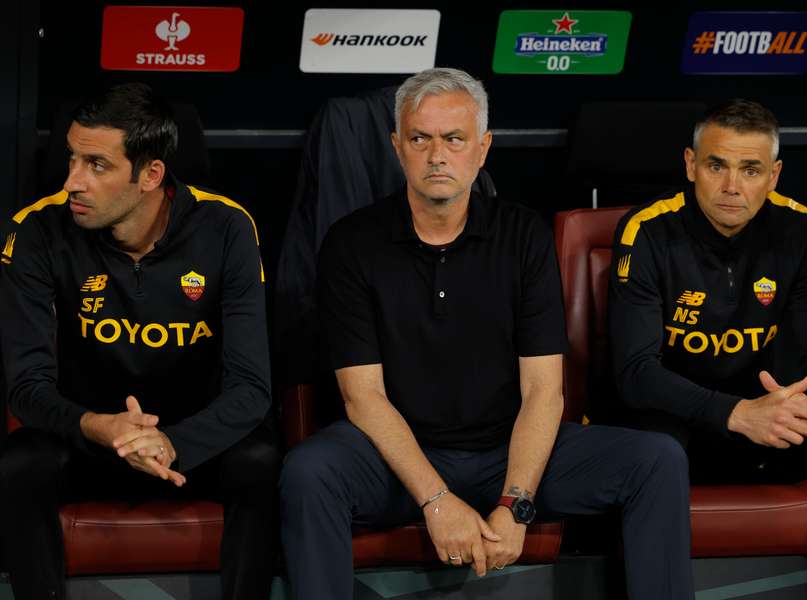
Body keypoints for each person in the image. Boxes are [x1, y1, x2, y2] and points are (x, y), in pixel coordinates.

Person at [280, 67, 695, 600]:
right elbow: (363, 399)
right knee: (309, 472)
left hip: (508, 452)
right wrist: (436, 499)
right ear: (396, 146)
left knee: (656, 460)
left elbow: (544, 390)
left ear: (482, 147)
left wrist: (515, 503)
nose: (437, 156)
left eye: (454, 139)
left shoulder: (523, 235)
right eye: (420, 139)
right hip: (397, 461)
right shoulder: (351, 243)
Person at [0, 83, 280, 600]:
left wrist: (175, 442)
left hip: (192, 446)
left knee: (259, 460)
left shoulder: (226, 227)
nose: (72, 183)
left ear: (150, 174)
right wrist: (99, 427)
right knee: (21, 462)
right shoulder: (37, 229)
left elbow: (252, 387)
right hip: (88, 439)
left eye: (96, 165)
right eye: (71, 159)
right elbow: (26, 385)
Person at [608, 98, 807, 599]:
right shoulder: (648, 229)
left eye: (751, 169)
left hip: (767, 428)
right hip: (680, 424)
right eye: (717, 165)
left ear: (775, 174)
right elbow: (635, 373)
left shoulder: (801, 228)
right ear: (692, 165)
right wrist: (734, 413)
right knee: (653, 443)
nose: (732, 186)